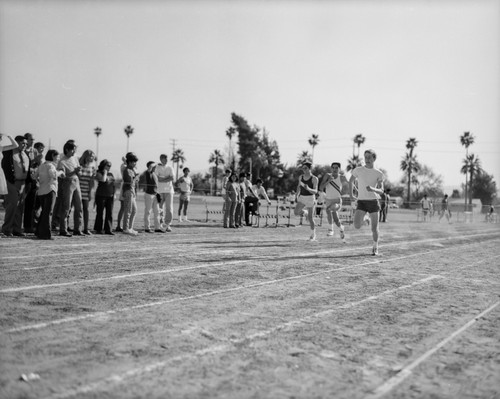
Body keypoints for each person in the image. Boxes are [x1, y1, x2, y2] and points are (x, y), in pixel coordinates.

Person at [349, 149, 384, 256]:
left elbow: (381, 190)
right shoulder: (358, 170)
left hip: (373, 202)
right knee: (356, 225)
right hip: (362, 202)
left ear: (374, 158)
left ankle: (375, 246)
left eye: (369, 157)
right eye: (366, 157)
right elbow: (350, 181)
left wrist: (373, 189)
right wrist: (351, 195)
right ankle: (366, 219)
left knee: (374, 228)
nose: (367, 159)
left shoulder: (378, 173)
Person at [1, 135, 30, 237]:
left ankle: (17, 229)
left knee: (20, 207)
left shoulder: (26, 155)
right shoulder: (8, 153)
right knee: (12, 205)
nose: (25, 145)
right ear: (17, 142)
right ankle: (6, 229)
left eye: (26, 143)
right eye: (23, 143)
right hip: (12, 182)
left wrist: (28, 183)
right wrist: (9, 181)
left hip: (23, 183)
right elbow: (5, 168)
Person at [34, 150, 65, 240]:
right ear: (53, 156)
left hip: (41, 191)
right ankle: (46, 234)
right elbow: (53, 175)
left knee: (44, 212)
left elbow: (34, 176)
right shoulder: (51, 165)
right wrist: (61, 172)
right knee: (48, 213)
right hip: (50, 191)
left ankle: (39, 232)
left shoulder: (41, 165)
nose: (58, 158)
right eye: (57, 156)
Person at [57, 141, 83, 237]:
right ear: (67, 149)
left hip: (76, 182)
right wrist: (74, 172)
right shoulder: (62, 161)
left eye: (75, 149)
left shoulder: (75, 158)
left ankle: (78, 229)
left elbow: (78, 173)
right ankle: (63, 229)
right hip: (67, 183)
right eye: (73, 149)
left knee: (79, 206)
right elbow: (62, 175)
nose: (74, 152)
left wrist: (79, 172)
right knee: (66, 207)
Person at [319, 162, 348, 242]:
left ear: (339, 169)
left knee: (330, 209)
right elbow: (321, 188)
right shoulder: (327, 176)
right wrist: (328, 181)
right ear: (331, 168)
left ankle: (331, 229)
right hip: (328, 200)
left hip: (337, 200)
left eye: (336, 168)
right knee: (336, 219)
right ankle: (341, 228)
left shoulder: (342, 177)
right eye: (333, 168)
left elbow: (349, 185)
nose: (335, 169)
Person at [294, 162, 319, 241]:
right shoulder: (301, 177)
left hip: (311, 198)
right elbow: (299, 186)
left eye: (305, 168)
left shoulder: (314, 178)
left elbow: (315, 191)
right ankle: (305, 213)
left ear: (310, 169)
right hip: (302, 197)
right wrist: (296, 195)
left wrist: (308, 188)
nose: (304, 170)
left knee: (311, 219)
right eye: (303, 168)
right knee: (296, 212)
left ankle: (313, 235)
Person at [93, 159, 115, 235]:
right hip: (101, 196)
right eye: (107, 165)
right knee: (100, 213)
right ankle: (98, 229)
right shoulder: (99, 173)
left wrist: (114, 194)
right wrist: (105, 173)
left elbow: (113, 184)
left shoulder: (111, 174)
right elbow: (103, 180)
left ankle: (108, 229)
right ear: (103, 165)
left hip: (110, 196)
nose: (109, 167)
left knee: (109, 213)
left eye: (110, 166)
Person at [142, 161, 164, 233]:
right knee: (148, 211)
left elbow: (155, 185)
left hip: (154, 195)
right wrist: (153, 165)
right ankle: (147, 228)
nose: (155, 167)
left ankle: (157, 228)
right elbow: (150, 168)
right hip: (149, 195)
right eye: (154, 166)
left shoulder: (154, 174)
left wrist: (157, 193)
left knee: (157, 212)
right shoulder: (148, 173)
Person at [79, 150, 96, 235]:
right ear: (86, 156)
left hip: (86, 190)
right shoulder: (79, 165)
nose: (92, 158)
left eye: (93, 156)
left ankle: (85, 228)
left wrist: (90, 192)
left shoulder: (92, 168)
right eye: (91, 156)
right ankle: (76, 228)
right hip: (77, 190)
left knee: (86, 209)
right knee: (77, 210)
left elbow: (91, 182)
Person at [122, 152, 140, 235]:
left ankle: (130, 227)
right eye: (133, 162)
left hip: (132, 191)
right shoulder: (127, 170)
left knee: (134, 210)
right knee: (128, 210)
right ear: (129, 162)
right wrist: (136, 177)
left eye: (135, 162)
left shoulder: (132, 169)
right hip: (128, 190)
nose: (135, 163)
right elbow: (129, 181)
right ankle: (126, 228)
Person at [156, 154, 174, 232]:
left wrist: (162, 178)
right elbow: (157, 179)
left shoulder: (170, 167)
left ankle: (168, 225)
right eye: (164, 158)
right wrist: (167, 177)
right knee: (160, 208)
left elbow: (172, 178)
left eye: (166, 158)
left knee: (169, 208)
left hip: (169, 190)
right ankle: (160, 224)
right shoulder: (157, 167)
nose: (166, 160)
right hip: (159, 190)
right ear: (161, 159)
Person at [0, 134, 18, 199]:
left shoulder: (1, 148)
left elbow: (15, 145)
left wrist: (9, 136)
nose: (1, 140)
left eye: (0, 138)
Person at [114, 156, 127, 232]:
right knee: (123, 208)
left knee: (129, 208)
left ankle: (126, 225)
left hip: (131, 187)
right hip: (124, 187)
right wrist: (125, 162)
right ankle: (119, 225)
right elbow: (126, 170)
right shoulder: (124, 165)